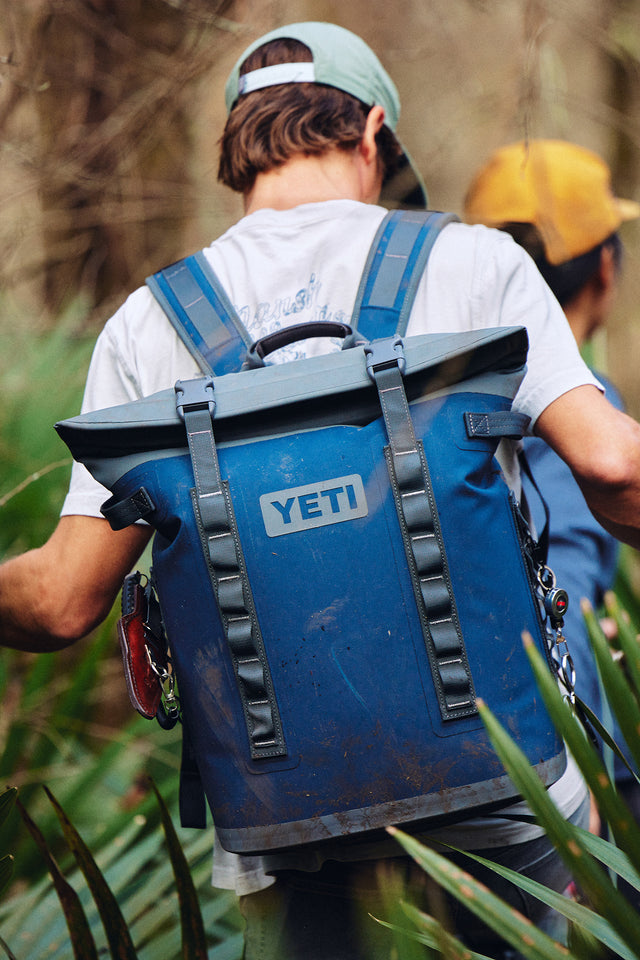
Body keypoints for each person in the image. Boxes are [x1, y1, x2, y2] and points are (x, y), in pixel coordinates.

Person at [3, 20, 640, 958]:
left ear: (239, 150)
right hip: (504, 792)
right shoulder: (472, 263)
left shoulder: (148, 328)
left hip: (285, 820)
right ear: (371, 131)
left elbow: (61, 602)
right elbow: (614, 469)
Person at [464, 140, 640, 841]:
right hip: (558, 770)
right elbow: (554, 584)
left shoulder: (443, 396)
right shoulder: (582, 413)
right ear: (606, 267)